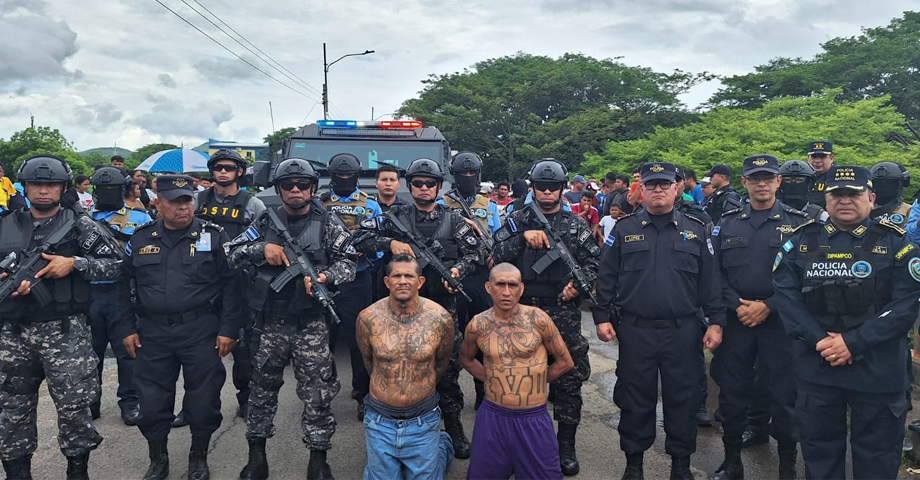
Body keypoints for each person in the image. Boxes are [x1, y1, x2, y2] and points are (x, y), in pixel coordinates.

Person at [773, 165, 920, 480]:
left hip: (878, 370)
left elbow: (905, 304)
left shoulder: (897, 244)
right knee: (820, 456)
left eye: (853, 194)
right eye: (836, 194)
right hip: (819, 366)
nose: (845, 200)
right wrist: (823, 342)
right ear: (825, 199)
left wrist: (852, 343)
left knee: (877, 460)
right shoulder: (800, 241)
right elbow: (787, 299)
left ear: (871, 198)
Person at [592, 161, 724, 480]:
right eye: (651, 185)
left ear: (677, 188)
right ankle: (634, 463)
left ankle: (680, 464)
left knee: (684, 397)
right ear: (643, 190)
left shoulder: (696, 229)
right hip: (636, 329)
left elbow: (711, 282)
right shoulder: (624, 230)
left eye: (665, 184)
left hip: (684, 330)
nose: (658, 190)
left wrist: (717, 322)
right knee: (636, 398)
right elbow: (606, 277)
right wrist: (601, 316)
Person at [230, 158, 356, 480]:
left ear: (313, 188)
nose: (296, 190)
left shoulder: (328, 222)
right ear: (279, 189)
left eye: (302, 185)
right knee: (261, 390)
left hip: (310, 324)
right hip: (270, 321)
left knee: (317, 393)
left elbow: (349, 263)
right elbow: (231, 251)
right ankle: (256, 455)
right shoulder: (264, 221)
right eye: (288, 185)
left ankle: (318, 458)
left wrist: (326, 277)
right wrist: (263, 249)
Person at [0, 155, 121, 479]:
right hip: (12, 334)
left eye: (50, 184)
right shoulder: (6, 223)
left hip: (65, 333)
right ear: (24, 187)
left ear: (63, 187)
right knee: (11, 415)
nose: (43, 190)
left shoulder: (80, 224)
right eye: (36, 184)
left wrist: (75, 264)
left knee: (74, 409)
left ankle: (77, 471)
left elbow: (119, 264)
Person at [116, 175, 241, 480]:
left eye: (187, 200)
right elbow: (123, 284)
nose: (183, 207)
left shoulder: (213, 235)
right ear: (157, 203)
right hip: (152, 332)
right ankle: (158, 458)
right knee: (152, 402)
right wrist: (125, 328)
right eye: (175, 201)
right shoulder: (142, 237)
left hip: (201, 330)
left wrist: (229, 329)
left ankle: (198, 456)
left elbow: (233, 284)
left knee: (203, 399)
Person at [356, 157, 480, 459]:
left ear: (439, 187)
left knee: (448, 372)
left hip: (441, 306)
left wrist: (458, 272)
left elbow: (476, 252)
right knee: (397, 367)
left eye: (430, 183)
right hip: (399, 310)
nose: (424, 188)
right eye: (418, 183)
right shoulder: (395, 215)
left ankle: (453, 430)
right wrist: (390, 245)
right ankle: (398, 431)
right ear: (409, 186)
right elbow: (358, 236)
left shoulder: (453, 220)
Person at [491, 158, 599, 476]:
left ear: (563, 189)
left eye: (554, 187)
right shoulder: (517, 218)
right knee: (516, 376)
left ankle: (565, 444)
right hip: (521, 311)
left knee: (568, 378)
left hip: (561, 310)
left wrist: (577, 286)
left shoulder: (575, 224)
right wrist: (521, 237)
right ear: (533, 188)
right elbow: (494, 254)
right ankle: (515, 443)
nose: (548, 192)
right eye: (542, 187)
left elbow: (593, 260)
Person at [709, 155, 806, 480]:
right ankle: (732, 461)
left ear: (779, 182)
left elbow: (807, 277)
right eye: (755, 178)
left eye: (768, 177)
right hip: (738, 325)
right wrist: (736, 305)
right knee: (733, 395)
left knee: (785, 398)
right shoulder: (729, 223)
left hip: (780, 326)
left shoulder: (798, 224)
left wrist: (769, 305)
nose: (762, 183)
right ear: (746, 182)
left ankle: (787, 467)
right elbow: (714, 274)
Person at [460, 263, 574, 480]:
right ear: (488, 287)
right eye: (499, 284)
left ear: (521, 289)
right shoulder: (478, 324)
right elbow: (466, 358)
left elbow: (565, 361)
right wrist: (490, 378)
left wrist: (537, 381)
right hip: (493, 416)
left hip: (533, 418)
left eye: (512, 285)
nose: (506, 291)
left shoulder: (538, 319)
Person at [355, 254, 456, 480]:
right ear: (386, 281)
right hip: (380, 419)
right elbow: (369, 362)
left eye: (409, 275)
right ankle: (386, 457)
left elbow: (441, 363)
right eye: (396, 275)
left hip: (423, 418)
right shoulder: (367, 318)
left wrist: (417, 386)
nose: (402, 281)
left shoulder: (440, 319)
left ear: (420, 282)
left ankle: (442, 444)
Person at [195, 149, 266, 422]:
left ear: (239, 171)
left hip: (240, 282)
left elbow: (263, 241)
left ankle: (246, 399)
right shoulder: (196, 200)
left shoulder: (252, 204)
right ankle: (196, 406)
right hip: (204, 282)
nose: (223, 172)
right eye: (218, 167)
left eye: (229, 167)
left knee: (244, 348)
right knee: (199, 349)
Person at [87, 167, 152, 425]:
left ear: (123, 190)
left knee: (127, 351)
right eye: (102, 189)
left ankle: (129, 401)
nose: (107, 193)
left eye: (112, 189)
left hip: (121, 292)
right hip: (88, 292)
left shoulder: (139, 217)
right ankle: (91, 401)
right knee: (91, 353)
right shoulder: (83, 218)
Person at [319, 153, 381, 421]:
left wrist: (364, 251)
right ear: (331, 176)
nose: (344, 180)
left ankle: (363, 395)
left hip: (358, 279)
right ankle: (321, 395)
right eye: (339, 176)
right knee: (322, 340)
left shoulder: (371, 206)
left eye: (349, 176)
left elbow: (378, 242)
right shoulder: (318, 204)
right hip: (324, 280)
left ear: (356, 177)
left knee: (360, 340)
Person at [440, 152, 499, 409]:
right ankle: (449, 396)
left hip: (480, 275)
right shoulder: (443, 203)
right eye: (462, 174)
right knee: (449, 337)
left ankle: (483, 392)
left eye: (471, 174)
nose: (467, 178)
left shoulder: (490, 205)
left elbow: (498, 239)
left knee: (483, 336)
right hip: (452, 274)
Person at [870, 161, 911, 228]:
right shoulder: (863, 211)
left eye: (888, 184)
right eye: (878, 184)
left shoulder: (910, 212)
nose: (882, 188)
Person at [805, 141, 834, 208]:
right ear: (808, 158)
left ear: (831, 158)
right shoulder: (803, 176)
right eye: (813, 157)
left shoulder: (836, 177)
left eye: (822, 157)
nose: (817, 161)